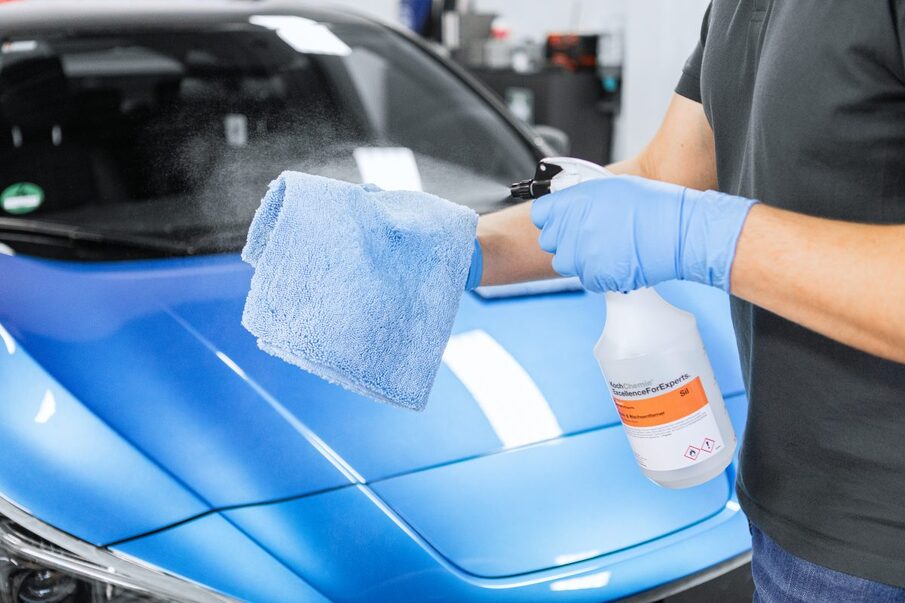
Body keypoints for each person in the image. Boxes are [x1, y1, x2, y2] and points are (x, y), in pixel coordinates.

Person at [465, 2, 905, 601]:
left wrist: (703, 234)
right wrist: (460, 246)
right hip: (783, 514)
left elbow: (672, 212)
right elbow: (664, 171)